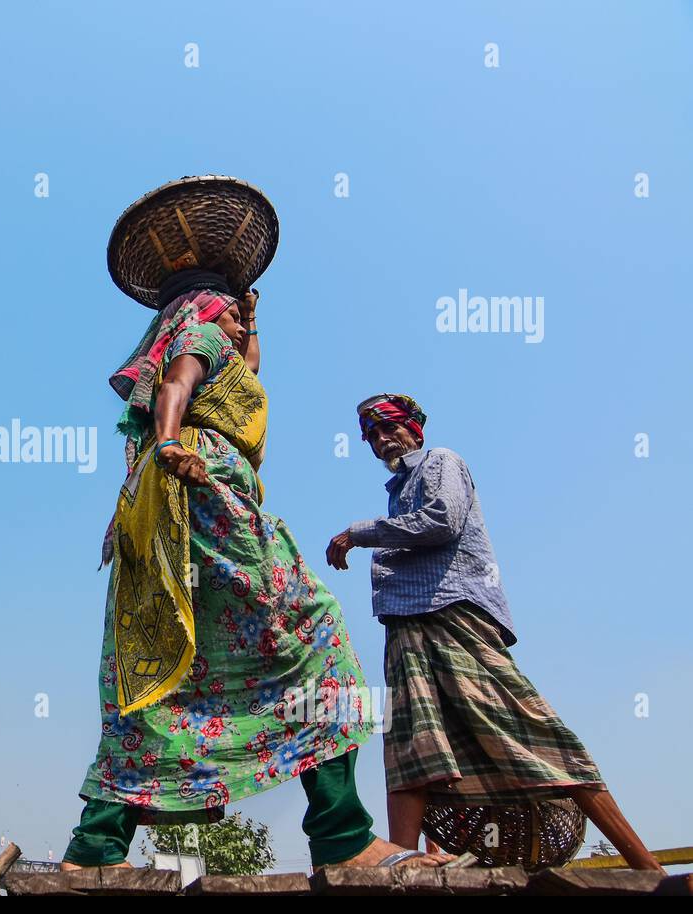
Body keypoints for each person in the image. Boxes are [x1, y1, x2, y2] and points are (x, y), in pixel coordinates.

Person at [62, 271, 449, 871]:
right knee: (315, 636)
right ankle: (343, 836)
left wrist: (252, 315)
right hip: (199, 494)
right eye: (235, 318)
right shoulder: (200, 339)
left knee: (162, 669)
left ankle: (95, 847)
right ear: (205, 316)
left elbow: (248, 370)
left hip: (167, 507)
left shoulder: (226, 358)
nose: (243, 328)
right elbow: (175, 384)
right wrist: (168, 444)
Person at [326, 393, 664, 871]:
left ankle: (647, 870)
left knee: (525, 729)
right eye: (372, 436)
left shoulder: (441, 461)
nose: (382, 440)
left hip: (454, 614)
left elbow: (442, 520)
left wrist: (357, 533)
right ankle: (401, 870)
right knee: (412, 744)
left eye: (389, 428)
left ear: (414, 428)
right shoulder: (398, 489)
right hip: (408, 626)